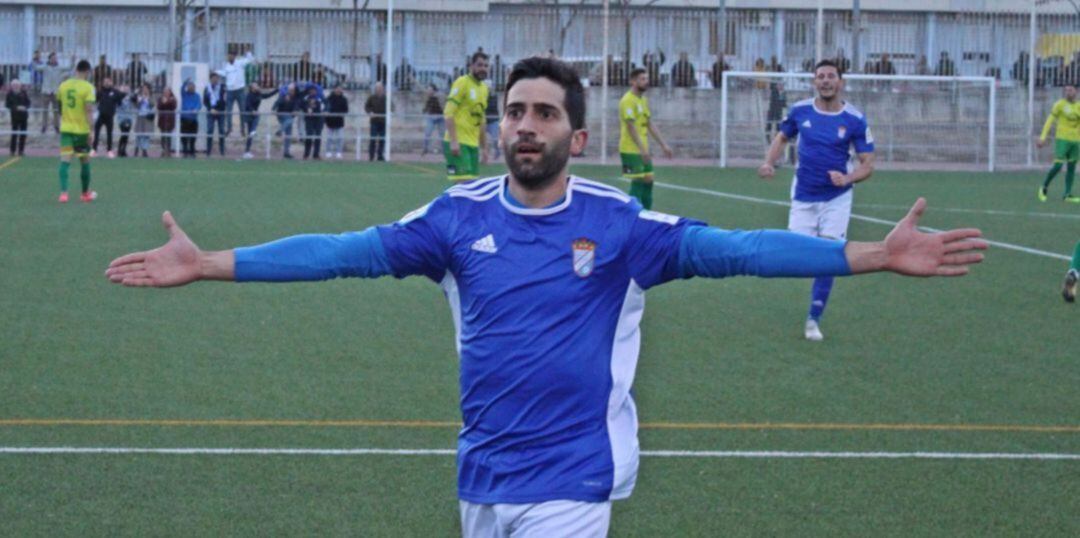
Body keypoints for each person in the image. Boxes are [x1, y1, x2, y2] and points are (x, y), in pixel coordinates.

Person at [104, 56, 987, 538]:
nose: (523, 124)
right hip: (482, 474)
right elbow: (343, 253)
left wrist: (866, 255)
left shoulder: (623, 224)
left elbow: (741, 250)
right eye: (513, 111)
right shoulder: (454, 217)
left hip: (574, 481)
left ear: (577, 131)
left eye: (543, 113)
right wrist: (211, 262)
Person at [758, 59, 876, 342]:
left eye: (831, 76)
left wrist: (847, 179)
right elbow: (782, 138)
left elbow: (867, 164)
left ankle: (814, 317)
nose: (825, 81)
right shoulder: (800, 111)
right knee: (796, 255)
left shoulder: (855, 119)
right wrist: (768, 163)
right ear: (814, 82)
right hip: (804, 195)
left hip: (837, 198)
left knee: (830, 255)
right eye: (820, 76)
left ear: (840, 82)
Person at [619, 67, 673, 210]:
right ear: (633, 81)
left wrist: (664, 145)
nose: (646, 82)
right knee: (638, 180)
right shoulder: (627, 100)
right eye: (642, 79)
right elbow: (630, 127)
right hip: (630, 149)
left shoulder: (643, 100)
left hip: (642, 148)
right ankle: (633, 216)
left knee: (649, 180)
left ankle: (647, 215)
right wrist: (642, 150)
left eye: (646, 79)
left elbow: (649, 123)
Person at [444, 51, 490, 180]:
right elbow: (448, 113)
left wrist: (484, 148)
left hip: (472, 144)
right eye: (480, 65)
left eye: (486, 66)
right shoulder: (462, 82)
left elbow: (481, 121)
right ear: (471, 66)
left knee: (471, 187)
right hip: (458, 142)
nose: (483, 69)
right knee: (463, 186)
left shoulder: (484, 89)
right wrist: (454, 141)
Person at [56, 60, 96, 203]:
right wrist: (92, 130)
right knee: (84, 161)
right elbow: (89, 109)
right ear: (86, 72)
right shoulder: (88, 87)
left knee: (65, 160)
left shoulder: (63, 85)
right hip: (81, 131)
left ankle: (63, 194)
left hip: (66, 130)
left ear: (76, 70)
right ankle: (85, 194)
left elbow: (59, 107)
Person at [1036, 84, 1080, 203]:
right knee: (1058, 165)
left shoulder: (1078, 106)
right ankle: (1044, 187)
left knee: (1072, 167)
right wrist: (1042, 137)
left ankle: (1067, 194)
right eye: (1065, 90)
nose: (1067, 92)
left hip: (1075, 141)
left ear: (1076, 91)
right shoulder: (1059, 105)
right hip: (1062, 140)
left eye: (1070, 90)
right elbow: (1049, 121)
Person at [218, 50, 253, 136]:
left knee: (242, 110)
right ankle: (229, 128)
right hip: (230, 90)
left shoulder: (240, 63)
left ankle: (242, 129)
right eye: (228, 56)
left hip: (240, 90)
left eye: (231, 56)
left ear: (234, 56)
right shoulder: (226, 65)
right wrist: (216, 72)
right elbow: (224, 73)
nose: (229, 57)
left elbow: (250, 60)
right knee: (229, 110)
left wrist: (248, 52)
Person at [241, 82, 279, 159]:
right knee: (253, 127)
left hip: (255, 114)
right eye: (255, 85)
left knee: (250, 133)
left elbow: (267, 95)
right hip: (249, 114)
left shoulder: (259, 94)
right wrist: (252, 110)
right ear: (252, 88)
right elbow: (247, 105)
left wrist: (277, 90)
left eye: (257, 85)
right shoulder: (249, 95)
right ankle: (253, 133)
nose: (257, 86)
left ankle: (247, 150)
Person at [35, 52, 70, 134]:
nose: (55, 59)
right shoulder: (45, 67)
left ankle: (56, 126)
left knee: (56, 111)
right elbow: (36, 68)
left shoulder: (59, 67)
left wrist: (73, 60)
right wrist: (36, 59)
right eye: (53, 58)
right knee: (45, 110)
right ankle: (44, 126)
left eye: (56, 58)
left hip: (55, 92)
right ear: (49, 59)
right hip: (46, 91)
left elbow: (69, 68)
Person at [93, 77, 126, 158]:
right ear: (103, 83)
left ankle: (109, 151)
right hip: (101, 115)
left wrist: (123, 90)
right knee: (96, 133)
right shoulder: (100, 92)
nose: (106, 83)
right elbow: (94, 100)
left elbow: (122, 96)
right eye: (105, 81)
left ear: (111, 82)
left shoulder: (115, 92)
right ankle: (94, 150)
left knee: (109, 134)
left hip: (110, 116)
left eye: (108, 81)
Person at [273, 83, 300, 159]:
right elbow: (277, 102)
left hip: (289, 117)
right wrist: (273, 109)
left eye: (291, 90)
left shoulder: (297, 98)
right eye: (289, 90)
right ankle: (281, 130)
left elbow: (297, 106)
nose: (290, 91)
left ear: (295, 91)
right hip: (281, 114)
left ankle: (286, 152)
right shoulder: (284, 95)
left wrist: (295, 110)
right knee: (290, 119)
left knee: (288, 134)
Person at [203, 73, 227, 157]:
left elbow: (225, 99)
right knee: (210, 130)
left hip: (220, 112)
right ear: (210, 79)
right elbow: (205, 101)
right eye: (214, 78)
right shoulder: (207, 88)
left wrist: (222, 109)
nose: (215, 80)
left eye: (217, 78)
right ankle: (208, 151)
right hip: (211, 112)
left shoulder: (222, 87)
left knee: (221, 131)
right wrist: (210, 109)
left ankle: (222, 151)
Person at [5, 80, 30, 157]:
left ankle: (21, 151)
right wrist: (16, 108)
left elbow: (28, 103)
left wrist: (25, 107)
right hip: (14, 117)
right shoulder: (9, 94)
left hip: (24, 116)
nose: (16, 86)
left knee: (23, 135)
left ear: (20, 86)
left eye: (17, 85)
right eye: (14, 85)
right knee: (14, 134)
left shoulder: (24, 93)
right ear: (11, 86)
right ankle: (12, 151)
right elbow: (7, 105)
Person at [364, 82, 388, 161]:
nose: (378, 89)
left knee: (382, 139)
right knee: (373, 139)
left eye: (380, 88)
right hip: (374, 121)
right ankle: (371, 156)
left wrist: (390, 112)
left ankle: (380, 156)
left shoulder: (386, 98)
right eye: (377, 88)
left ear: (382, 89)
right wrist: (370, 112)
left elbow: (392, 107)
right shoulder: (372, 97)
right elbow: (367, 106)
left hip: (383, 121)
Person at [325, 84, 348, 159]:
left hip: (340, 121)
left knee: (340, 138)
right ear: (334, 89)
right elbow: (326, 108)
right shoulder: (329, 98)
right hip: (330, 121)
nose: (338, 90)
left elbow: (346, 110)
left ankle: (339, 152)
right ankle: (328, 151)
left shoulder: (344, 99)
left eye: (340, 89)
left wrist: (341, 113)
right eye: (337, 89)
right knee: (329, 138)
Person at [302, 85, 324, 160]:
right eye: (311, 90)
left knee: (318, 137)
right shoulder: (305, 98)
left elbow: (326, 105)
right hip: (309, 120)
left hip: (318, 119)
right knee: (309, 136)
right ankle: (306, 154)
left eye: (314, 90)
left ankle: (316, 155)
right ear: (309, 91)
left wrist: (325, 111)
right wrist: (306, 109)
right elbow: (301, 105)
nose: (312, 92)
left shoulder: (320, 98)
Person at [179, 80, 201, 158]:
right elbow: (181, 88)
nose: (191, 88)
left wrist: (196, 109)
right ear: (187, 87)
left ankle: (192, 152)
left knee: (193, 137)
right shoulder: (184, 94)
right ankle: (185, 152)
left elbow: (199, 105)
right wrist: (186, 82)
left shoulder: (197, 96)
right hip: (184, 119)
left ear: (195, 88)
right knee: (184, 136)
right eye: (189, 86)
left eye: (192, 86)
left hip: (193, 119)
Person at [421, 83, 444, 155]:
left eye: (430, 90)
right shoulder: (427, 97)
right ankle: (425, 149)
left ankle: (445, 150)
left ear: (434, 90)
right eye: (428, 90)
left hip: (440, 117)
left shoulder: (440, 96)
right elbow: (425, 107)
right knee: (427, 133)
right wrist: (424, 110)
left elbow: (444, 103)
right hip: (431, 117)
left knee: (443, 134)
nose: (428, 91)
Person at [134, 83, 155, 158]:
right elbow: (136, 106)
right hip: (140, 117)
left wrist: (147, 99)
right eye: (143, 88)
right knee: (139, 134)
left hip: (148, 117)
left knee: (146, 135)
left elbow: (153, 104)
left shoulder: (151, 97)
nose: (145, 90)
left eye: (146, 88)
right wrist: (141, 100)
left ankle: (144, 150)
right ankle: (136, 149)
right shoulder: (139, 96)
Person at [157, 87, 177, 158]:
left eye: (167, 91)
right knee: (163, 136)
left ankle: (168, 150)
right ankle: (163, 150)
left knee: (169, 136)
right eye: (165, 91)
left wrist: (166, 101)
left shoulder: (173, 99)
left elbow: (173, 106)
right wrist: (166, 102)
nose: (166, 93)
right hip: (162, 120)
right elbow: (159, 106)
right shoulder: (160, 99)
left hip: (170, 120)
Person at [116, 87, 135, 158]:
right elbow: (118, 104)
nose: (126, 91)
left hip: (129, 118)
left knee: (126, 135)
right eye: (124, 90)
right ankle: (119, 150)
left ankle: (123, 150)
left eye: (127, 89)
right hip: (121, 118)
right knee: (123, 134)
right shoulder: (119, 97)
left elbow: (134, 101)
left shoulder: (130, 97)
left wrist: (131, 96)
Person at [484, 81, 501, 160]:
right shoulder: (481, 96)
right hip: (483, 121)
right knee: (482, 140)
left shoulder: (494, 96)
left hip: (493, 120)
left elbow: (491, 107)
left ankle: (497, 152)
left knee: (495, 139)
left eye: (488, 87)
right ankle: (485, 156)